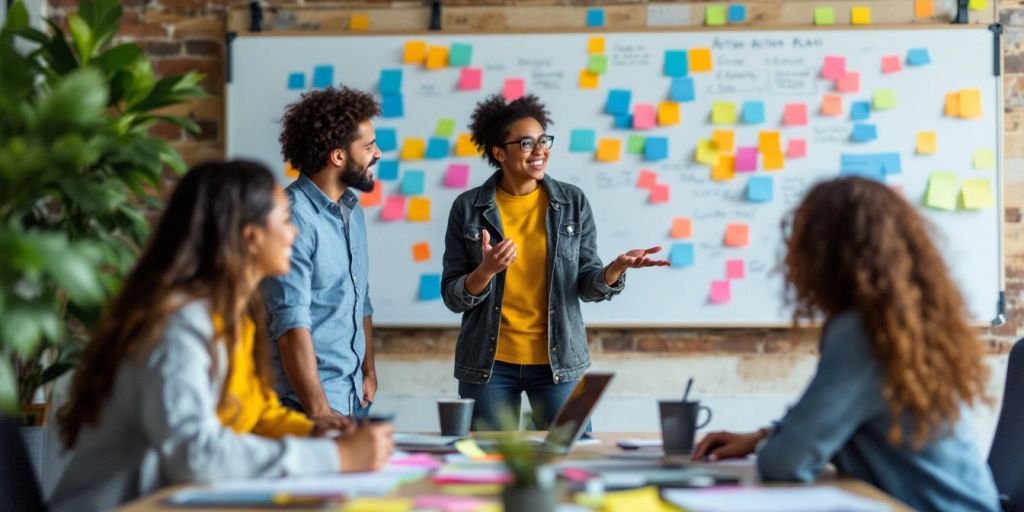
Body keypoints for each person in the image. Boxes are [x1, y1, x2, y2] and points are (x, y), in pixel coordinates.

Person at [51, 161, 394, 512]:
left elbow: (257, 415)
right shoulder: (180, 321)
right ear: (251, 236)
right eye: (284, 221)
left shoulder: (233, 320)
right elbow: (193, 453)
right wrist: (332, 457)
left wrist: (316, 431)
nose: (294, 233)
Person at [691, 177, 999, 512]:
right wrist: (763, 436)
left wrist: (773, 444)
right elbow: (834, 425)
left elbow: (785, 463)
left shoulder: (863, 332)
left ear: (825, 252)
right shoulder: (898, 324)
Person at [442, 94, 668, 431]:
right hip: (489, 365)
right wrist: (486, 271)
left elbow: (587, 286)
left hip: (558, 362)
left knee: (571, 459)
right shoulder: (468, 207)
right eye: (527, 143)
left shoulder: (572, 202)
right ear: (499, 152)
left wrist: (616, 268)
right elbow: (452, 296)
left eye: (544, 140)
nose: (540, 151)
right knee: (486, 466)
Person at [263, 86, 382, 422]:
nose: (379, 154)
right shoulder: (291, 218)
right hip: (307, 407)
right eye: (369, 146)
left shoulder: (352, 210)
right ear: (338, 157)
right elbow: (290, 323)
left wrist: (368, 371)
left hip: (354, 397)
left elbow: (361, 297)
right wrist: (319, 411)